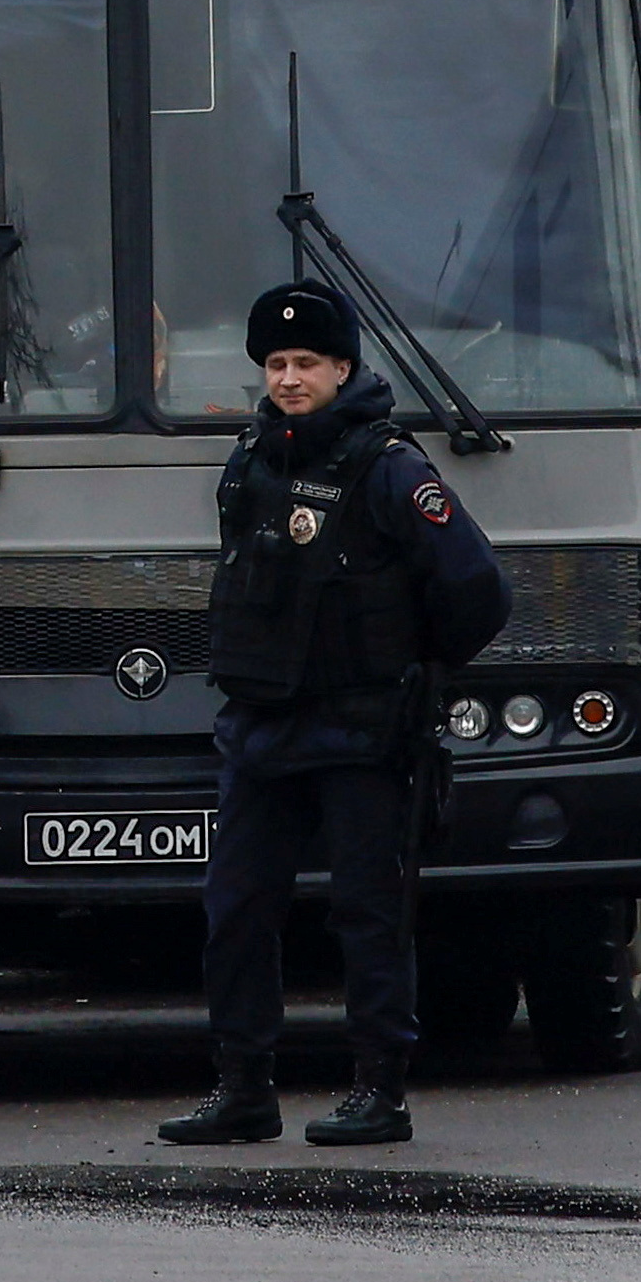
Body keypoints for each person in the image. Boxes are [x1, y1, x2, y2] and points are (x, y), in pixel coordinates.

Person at [161, 282, 508, 1153]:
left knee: (367, 914)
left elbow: (476, 591)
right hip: (263, 729)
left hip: (361, 732)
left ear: (342, 368)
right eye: (275, 364)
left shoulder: (389, 468)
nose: (287, 378)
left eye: (304, 363)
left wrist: (413, 672)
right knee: (235, 910)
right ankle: (242, 1088)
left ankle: (379, 1091)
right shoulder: (252, 458)